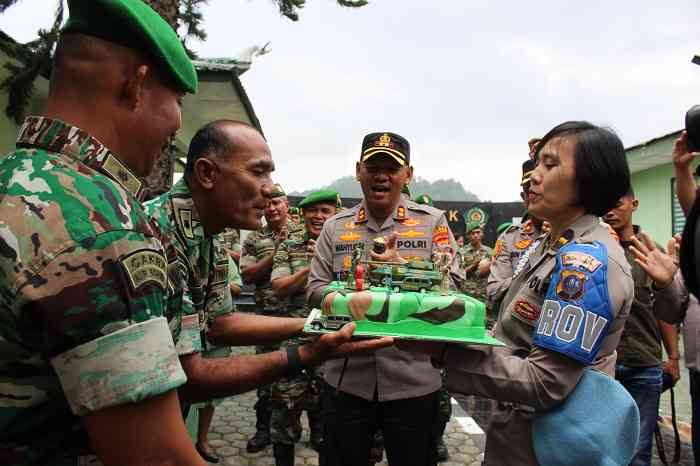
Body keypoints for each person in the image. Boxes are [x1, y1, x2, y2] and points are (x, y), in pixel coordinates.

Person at [0, 0, 211, 464]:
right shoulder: (98, 224)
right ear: (135, 86)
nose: (176, 125)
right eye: (176, 101)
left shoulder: (12, 177)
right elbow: (159, 457)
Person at [403, 121, 645, 465]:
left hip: (545, 445)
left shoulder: (586, 263)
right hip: (519, 432)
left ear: (590, 178)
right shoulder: (555, 244)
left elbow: (545, 382)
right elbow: (516, 339)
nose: (534, 175)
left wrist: (444, 354)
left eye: (550, 164)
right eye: (536, 164)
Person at [307, 132, 464, 466]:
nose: (382, 175)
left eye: (391, 168)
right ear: (358, 171)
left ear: (407, 175)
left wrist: (402, 267)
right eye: (373, 166)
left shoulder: (431, 222)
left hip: (414, 379)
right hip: (346, 378)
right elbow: (315, 287)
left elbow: (456, 284)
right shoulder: (335, 227)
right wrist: (349, 299)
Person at [603, 189, 684, 466]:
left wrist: (673, 357)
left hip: (643, 364)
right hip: (601, 367)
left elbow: (666, 313)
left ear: (634, 205)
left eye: (617, 203)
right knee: (599, 446)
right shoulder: (595, 249)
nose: (610, 211)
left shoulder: (652, 252)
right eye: (605, 206)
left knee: (638, 451)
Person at [269, 190, 341, 465]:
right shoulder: (289, 246)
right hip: (295, 340)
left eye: (325, 211)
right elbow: (278, 289)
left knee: (330, 419)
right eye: (313, 211)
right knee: (284, 414)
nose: (319, 216)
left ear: (334, 214)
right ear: (303, 214)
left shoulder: (346, 247)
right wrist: (312, 268)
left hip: (333, 339)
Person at [241, 183, 299, 452]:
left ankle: (317, 431)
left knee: (305, 375)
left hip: (299, 317)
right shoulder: (254, 238)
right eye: (268, 204)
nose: (272, 208)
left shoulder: (301, 233)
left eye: (277, 203)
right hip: (267, 320)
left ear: (287, 205)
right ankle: (263, 431)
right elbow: (248, 275)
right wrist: (275, 254)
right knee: (265, 377)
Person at [487, 159, 544, 318]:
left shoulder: (576, 233)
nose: (535, 193)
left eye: (542, 186)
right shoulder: (510, 238)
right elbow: (493, 292)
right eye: (529, 189)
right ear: (523, 196)